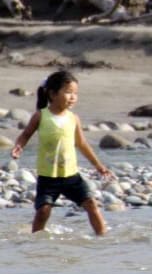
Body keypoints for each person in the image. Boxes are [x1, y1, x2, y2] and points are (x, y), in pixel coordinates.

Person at [11, 70, 113, 235]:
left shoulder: (73, 118)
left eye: (75, 93)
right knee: (43, 211)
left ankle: (103, 238)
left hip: (71, 176)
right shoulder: (41, 116)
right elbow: (25, 135)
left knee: (91, 205)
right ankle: (34, 240)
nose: (73, 97)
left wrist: (98, 166)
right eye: (68, 92)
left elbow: (82, 144)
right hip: (48, 177)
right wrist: (19, 146)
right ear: (52, 94)